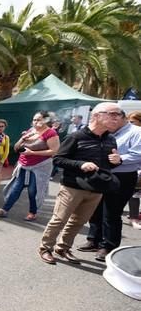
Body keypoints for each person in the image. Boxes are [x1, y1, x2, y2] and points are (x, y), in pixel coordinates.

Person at [38, 102, 121, 265]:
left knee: (79, 221)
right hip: (72, 187)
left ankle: (63, 248)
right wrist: (80, 164)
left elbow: (107, 165)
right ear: (97, 116)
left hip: (96, 188)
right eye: (112, 114)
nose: (117, 118)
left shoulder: (111, 139)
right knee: (59, 219)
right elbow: (58, 159)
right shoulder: (77, 136)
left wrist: (116, 161)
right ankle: (45, 248)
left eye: (118, 115)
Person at [79, 107, 141, 260]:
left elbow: (138, 154)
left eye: (113, 116)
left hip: (123, 176)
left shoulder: (136, 132)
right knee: (95, 208)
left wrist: (121, 159)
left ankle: (108, 246)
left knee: (111, 212)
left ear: (122, 117)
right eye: (107, 116)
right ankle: (93, 240)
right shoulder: (107, 131)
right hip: (102, 174)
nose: (109, 120)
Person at [0, 112, 59, 221]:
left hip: (40, 166)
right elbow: (16, 148)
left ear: (46, 120)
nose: (36, 122)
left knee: (33, 191)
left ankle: (33, 212)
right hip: (23, 164)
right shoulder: (31, 131)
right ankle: (4, 210)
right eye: (34, 119)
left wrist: (32, 153)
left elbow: (54, 151)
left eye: (39, 120)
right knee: (16, 188)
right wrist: (23, 138)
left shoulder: (51, 133)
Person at [127, 111, 141, 229]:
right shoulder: (129, 133)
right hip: (134, 169)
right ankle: (134, 218)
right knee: (134, 194)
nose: (129, 124)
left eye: (132, 122)